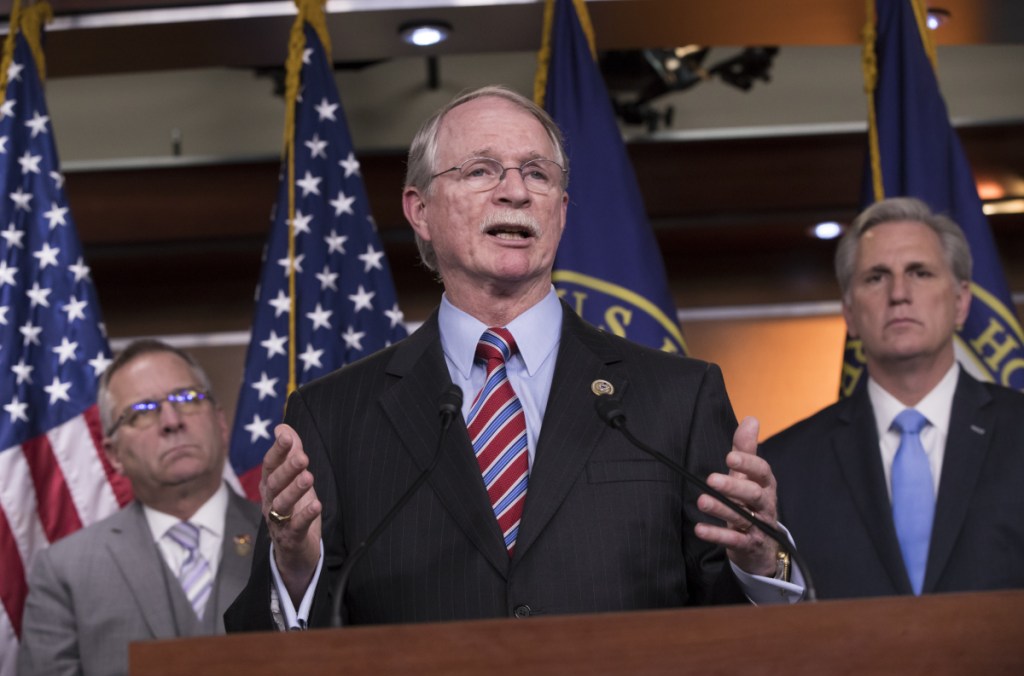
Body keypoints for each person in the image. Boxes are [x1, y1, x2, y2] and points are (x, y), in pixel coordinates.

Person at [226, 85, 801, 631]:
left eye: (537, 174)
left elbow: (740, 635)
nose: (516, 192)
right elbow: (265, 649)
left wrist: (760, 562)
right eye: (481, 170)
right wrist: (295, 569)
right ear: (420, 209)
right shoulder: (331, 417)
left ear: (562, 210)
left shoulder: (679, 398)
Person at [761, 197, 1024, 599]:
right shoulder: (785, 465)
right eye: (876, 277)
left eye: (920, 272)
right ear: (849, 311)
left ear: (961, 302)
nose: (899, 293)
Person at [17, 340, 261, 676]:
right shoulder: (64, 571)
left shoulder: (289, 542)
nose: (172, 421)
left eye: (187, 399)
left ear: (220, 423)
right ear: (113, 454)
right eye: (143, 411)